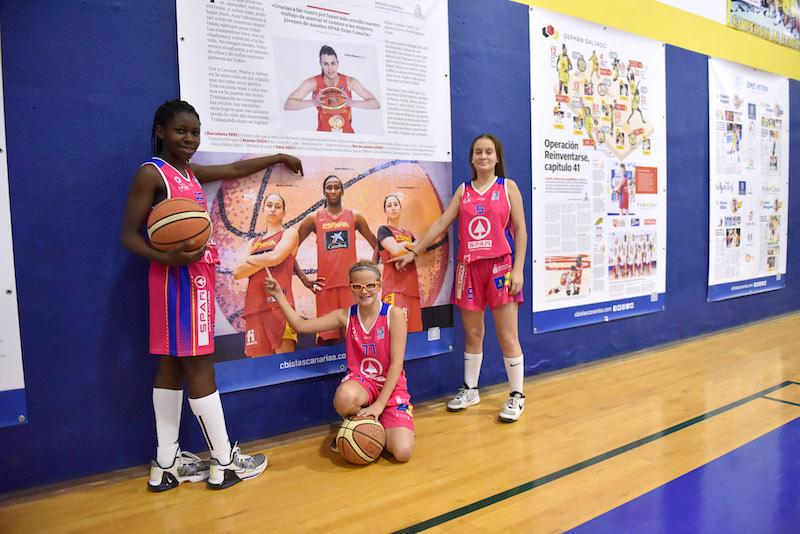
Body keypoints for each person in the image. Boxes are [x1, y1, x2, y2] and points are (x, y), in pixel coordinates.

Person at [120, 99, 303, 491]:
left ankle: (166, 463)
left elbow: (234, 169)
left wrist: (277, 156)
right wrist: (166, 256)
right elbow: (127, 236)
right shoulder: (152, 175)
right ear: (160, 132)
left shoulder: (188, 172)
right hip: (180, 280)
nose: (189, 139)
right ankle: (224, 461)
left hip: (183, 280)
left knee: (170, 365)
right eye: (180, 131)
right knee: (200, 367)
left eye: (194, 132)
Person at [391, 134, 528, 422]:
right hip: (469, 268)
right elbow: (442, 223)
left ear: (497, 157)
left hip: (500, 267)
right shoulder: (463, 190)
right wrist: (415, 251)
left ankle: (516, 395)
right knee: (473, 334)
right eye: (478, 152)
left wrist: (518, 269)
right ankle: (471, 389)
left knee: (507, 335)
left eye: (488, 152)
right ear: (472, 158)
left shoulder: (508, 187)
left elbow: (521, 230)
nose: (483, 156)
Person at [265, 261, 415, 462]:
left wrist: (379, 406)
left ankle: (375, 424)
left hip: (391, 387)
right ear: (350, 288)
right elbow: (301, 325)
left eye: (370, 285)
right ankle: (357, 426)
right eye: (357, 286)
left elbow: (397, 364)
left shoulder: (393, 314)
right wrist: (279, 296)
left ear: (379, 285)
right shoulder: (346, 315)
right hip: (363, 383)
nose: (364, 291)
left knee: (402, 453)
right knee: (345, 398)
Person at [297, 175, 378, 344]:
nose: (333, 191)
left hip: (351, 287)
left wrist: (371, 273)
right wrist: (305, 280)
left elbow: (377, 245)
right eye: (329, 187)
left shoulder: (355, 217)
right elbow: (289, 251)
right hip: (326, 288)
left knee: (356, 338)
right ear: (324, 192)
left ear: (342, 191)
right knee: (327, 341)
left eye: (336, 187)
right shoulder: (314, 218)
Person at [233, 193, 299, 356]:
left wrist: (250, 260)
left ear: (284, 212)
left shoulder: (289, 233)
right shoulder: (253, 242)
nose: (273, 209)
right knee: (259, 370)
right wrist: (266, 259)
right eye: (269, 205)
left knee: (284, 367)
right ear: (263, 210)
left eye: (278, 206)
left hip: (280, 306)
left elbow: (276, 257)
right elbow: (237, 272)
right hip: (255, 308)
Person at [283, 45, 380, 133]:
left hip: (348, 137)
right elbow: (288, 105)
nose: (330, 68)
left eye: (333, 63)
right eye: (325, 64)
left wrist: (351, 103)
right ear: (320, 64)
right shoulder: (312, 83)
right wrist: (314, 102)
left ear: (338, 63)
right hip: (324, 139)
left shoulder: (350, 82)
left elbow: (375, 104)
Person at [377, 194, 423, 333]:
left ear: (401, 208)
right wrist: (412, 246)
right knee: (395, 334)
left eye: (395, 204)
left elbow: (424, 250)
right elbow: (396, 251)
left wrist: (408, 245)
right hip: (394, 289)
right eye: (389, 206)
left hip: (412, 290)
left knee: (415, 334)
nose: (393, 208)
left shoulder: (408, 233)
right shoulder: (383, 230)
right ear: (385, 211)